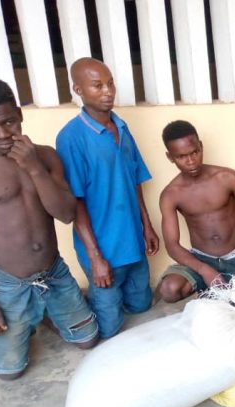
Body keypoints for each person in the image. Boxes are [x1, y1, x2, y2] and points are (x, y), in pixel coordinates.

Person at [0, 78, 98, 380]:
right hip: (10, 283)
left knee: (88, 340)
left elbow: (66, 214)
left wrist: (34, 167)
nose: (2, 133)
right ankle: (30, 316)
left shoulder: (46, 156)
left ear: (20, 114)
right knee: (9, 373)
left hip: (54, 273)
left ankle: (44, 312)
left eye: (9, 121)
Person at [56, 58, 159, 339]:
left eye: (110, 84)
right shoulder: (71, 138)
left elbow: (135, 180)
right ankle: (62, 310)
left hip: (132, 242)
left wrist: (147, 226)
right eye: (97, 85)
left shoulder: (122, 128)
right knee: (109, 329)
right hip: (103, 249)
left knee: (142, 307)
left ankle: (102, 299)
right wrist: (95, 258)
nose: (108, 91)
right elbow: (76, 202)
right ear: (78, 90)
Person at [156, 120, 235, 318]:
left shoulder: (227, 177)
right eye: (181, 156)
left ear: (201, 146)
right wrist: (205, 270)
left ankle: (215, 296)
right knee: (169, 289)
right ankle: (210, 291)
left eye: (194, 152)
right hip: (200, 259)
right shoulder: (171, 194)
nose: (191, 161)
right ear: (170, 157)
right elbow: (172, 245)